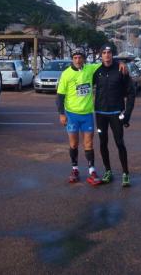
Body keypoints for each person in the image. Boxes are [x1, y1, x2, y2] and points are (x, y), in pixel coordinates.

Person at [56, 48, 103, 186]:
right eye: (75, 57)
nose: (77, 60)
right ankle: (75, 170)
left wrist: (120, 64)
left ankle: (92, 171)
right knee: (74, 144)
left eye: (80, 57)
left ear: (83, 58)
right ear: (72, 59)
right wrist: (61, 114)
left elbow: (106, 62)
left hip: (87, 114)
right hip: (72, 115)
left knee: (88, 144)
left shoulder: (89, 69)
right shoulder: (66, 74)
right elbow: (59, 97)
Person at [93, 44, 135, 187]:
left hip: (116, 113)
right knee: (103, 143)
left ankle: (125, 173)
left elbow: (131, 93)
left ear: (112, 55)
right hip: (100, 114)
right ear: (100, 55)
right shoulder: (95, 71)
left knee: (119, 143)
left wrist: (127, 114)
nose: (106, 55)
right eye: (104, 52)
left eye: (109, 52)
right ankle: (108, 171)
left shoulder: (121, 70)